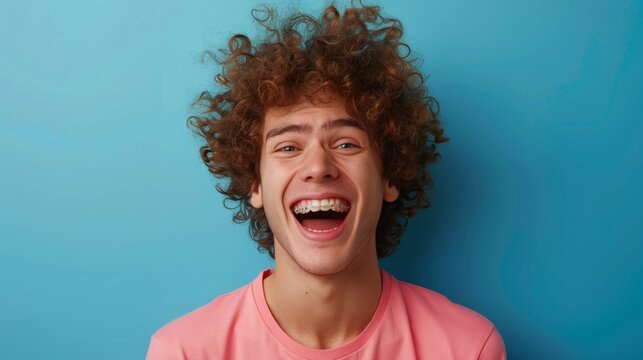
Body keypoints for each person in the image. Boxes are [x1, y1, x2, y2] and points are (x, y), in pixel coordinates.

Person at [146, 3, 506, 359]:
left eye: (346, 143)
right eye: (288, 147)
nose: (318, 167)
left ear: (389, 176)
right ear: (255, 183)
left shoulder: (467, 348)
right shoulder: (183, 351)